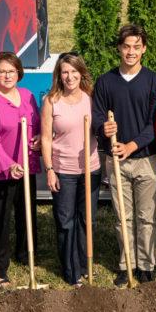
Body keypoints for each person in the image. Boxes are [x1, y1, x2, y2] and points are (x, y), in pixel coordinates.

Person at [92, 24, 156, 286]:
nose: (131, 51)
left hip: (146, 159)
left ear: (144, 49)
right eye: (126, 46)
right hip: (116, 161)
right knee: (122, 216)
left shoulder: (155, 82)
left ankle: (146, 265)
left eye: (136, 46)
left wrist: (132, 146)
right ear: (119, 49)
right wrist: (103, 128)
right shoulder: (105, 81)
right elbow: (97, 116)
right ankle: (127, 264)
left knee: (146, 216)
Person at [0, 52, 41, 290]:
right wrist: (8, 163)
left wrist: (38, 139)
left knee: (27, 213)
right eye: (2, 71)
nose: (7, 75)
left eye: (11, 71)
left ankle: (25, 253)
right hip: (2, 171)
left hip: (26, 166)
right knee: (1, 219)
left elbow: (37, 125)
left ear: (18, 73)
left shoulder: (27, 96)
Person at [40, 53, 100, 286]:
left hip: (90, 168)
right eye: (65, 71)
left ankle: (84, 264)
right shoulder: (51, 101)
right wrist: (50, 169)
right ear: (59, 74)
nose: (69, 76)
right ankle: (70, 268)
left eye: (74, 71)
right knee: (65, 221)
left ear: (81, 73)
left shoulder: (91, 98)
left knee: (86, 220)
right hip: (63, 169)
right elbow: (45, 138)